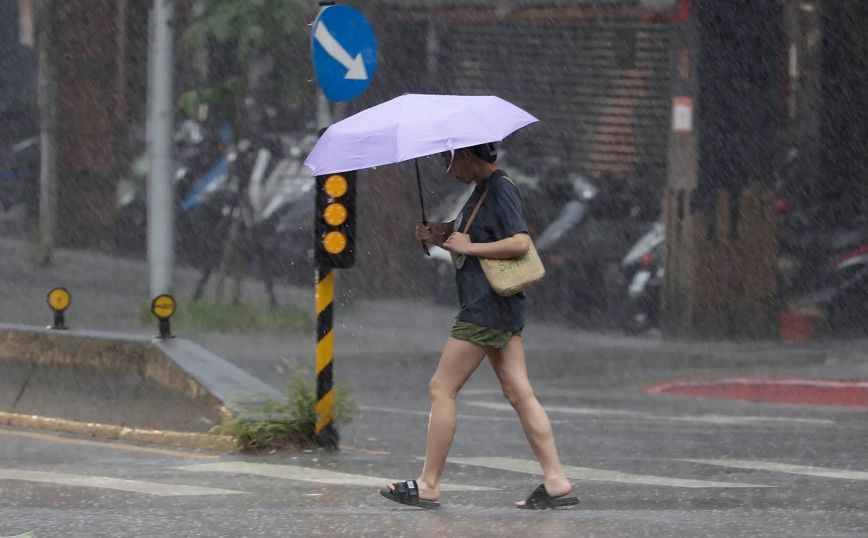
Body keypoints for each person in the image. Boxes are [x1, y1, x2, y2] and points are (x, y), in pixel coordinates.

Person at [379, 143, 578, 510]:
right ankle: (555, 480)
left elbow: (519, 242)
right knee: (519, 393)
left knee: (441, 387)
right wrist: (436, 234)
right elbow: (467, 235)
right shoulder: (483, 191)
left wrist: (470, 249)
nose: (445, 167)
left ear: (468, 155)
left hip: (484, 309)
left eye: (448, 158)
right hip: (498, 309)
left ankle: (429, 483)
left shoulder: (501, 188)